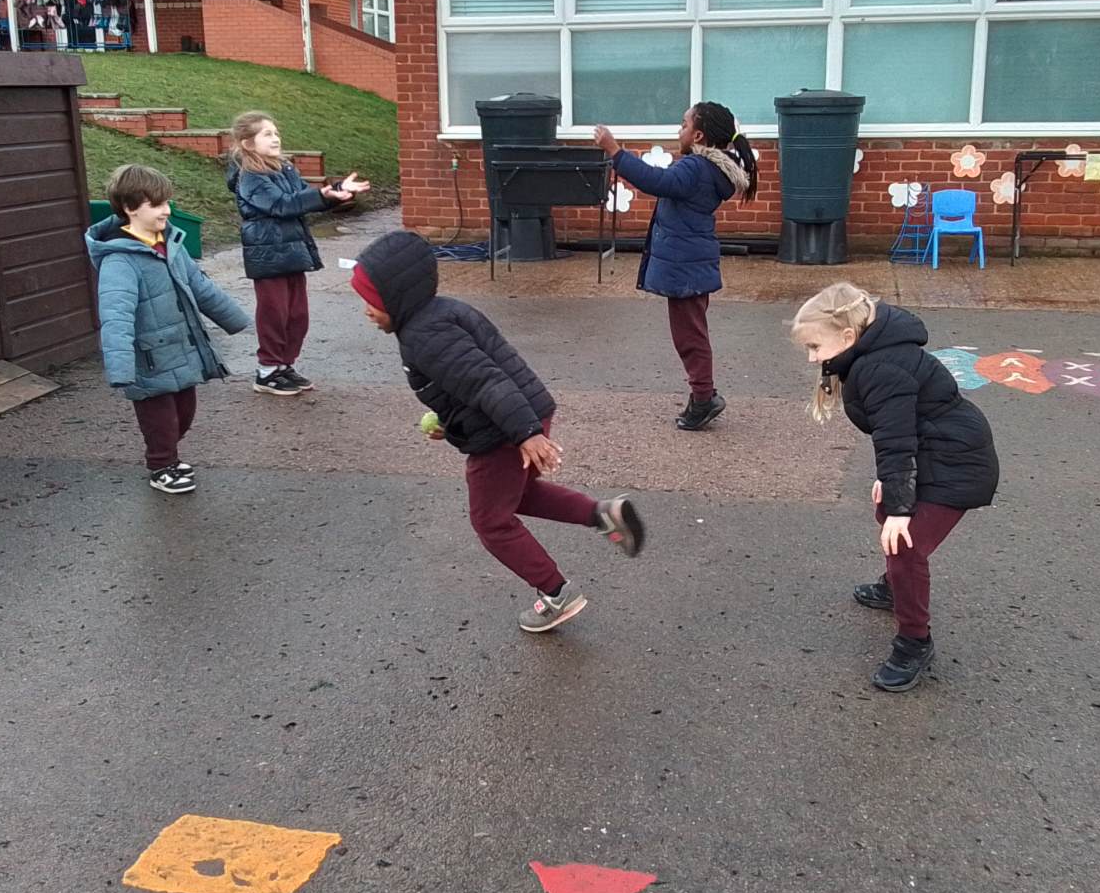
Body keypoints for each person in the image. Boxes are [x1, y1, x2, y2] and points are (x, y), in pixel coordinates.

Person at [350, 230, 645, 633]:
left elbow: (486, 381)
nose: (366, 310)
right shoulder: (439, 315)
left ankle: (556, 593)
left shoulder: (424, 336)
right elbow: (465, 384)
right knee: (517, 496)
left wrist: (525, 434)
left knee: (490, 521)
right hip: (521, 415)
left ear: (398, 296)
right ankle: (603, 515)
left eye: (372, 300)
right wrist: (449, 422)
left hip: (505, 432)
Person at [790, 283, 999, 691]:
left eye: (815, 346)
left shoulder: (881, 368)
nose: (813, 357)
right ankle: (895, 587)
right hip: (937, 450)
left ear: (847, 336)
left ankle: (914, 642)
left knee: (904, 542)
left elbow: (896, 439)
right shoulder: (869, 355)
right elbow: (897, 432)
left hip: (958, 463)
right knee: (888, 514)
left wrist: (901, 504)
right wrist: (891, 485)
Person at [86, 164, 251, 494]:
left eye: (166, 202)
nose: (166, 210)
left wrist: (236, 319)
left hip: (180, 349)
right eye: (157, 204)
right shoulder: (120, 260)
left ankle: (169, 456)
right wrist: (120, 367)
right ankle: (161, 465)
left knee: (184, 413)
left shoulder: (169, 243)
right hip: (149, 359)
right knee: (160, 419)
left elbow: (200, 286)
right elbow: (116, 315)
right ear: (130, 208)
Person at [594, 101, 757, 431]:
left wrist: (615, 151)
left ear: (698, 135)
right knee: (692, 333)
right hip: (691, 265)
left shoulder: (695, 168)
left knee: (690, 338)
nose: (678, 130)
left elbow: (656, 180)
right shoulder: (707, 169)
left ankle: (703, 399)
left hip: (686, 268)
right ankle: (703, 394)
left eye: (683, 125)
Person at [225, 110, 369, 396]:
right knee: (274, 313)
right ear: (247, 143)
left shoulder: (284, 169)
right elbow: (281, 205)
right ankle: (267, 370)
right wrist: (323, 195)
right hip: (268, 254)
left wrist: (335, 192)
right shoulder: (249, 176)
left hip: (292, 250)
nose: (275, 138)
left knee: (297, 315)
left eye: (276, 133)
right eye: (267, 134)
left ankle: (284, 365)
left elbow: (302, 198)